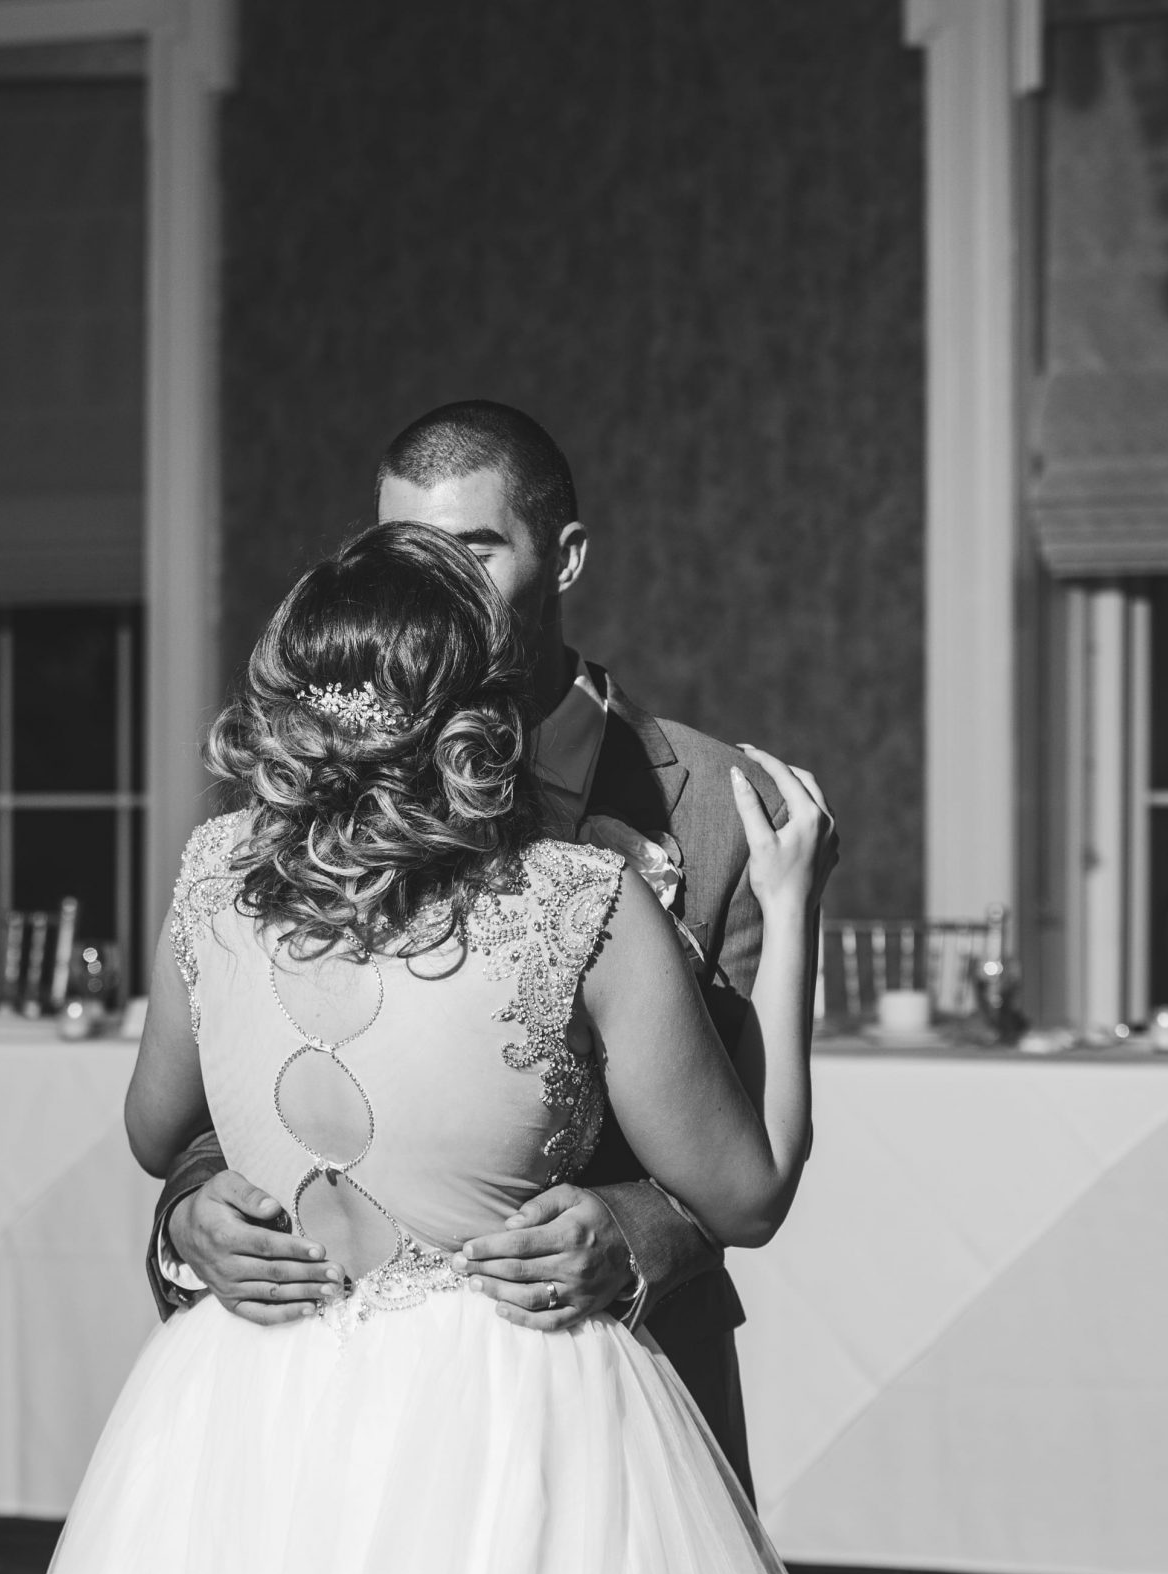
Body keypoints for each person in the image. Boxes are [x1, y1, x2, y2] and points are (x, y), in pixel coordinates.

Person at [0, 521, 844, 1574]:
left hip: (255, 1402)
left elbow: (153, 1131)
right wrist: (791, 902)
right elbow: (749, 1193)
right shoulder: (577, 898)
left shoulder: (212, 876)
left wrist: (210, 1178)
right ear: (479, 710)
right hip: (502, 1411)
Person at [151, 401, 775, 1491]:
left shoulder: (722, 808)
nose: (436, 585)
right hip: (321, 1395)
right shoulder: (272, 837)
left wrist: (633, 1227)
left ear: (565, 556)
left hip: (605, 1403)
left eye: (474, 547)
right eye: (408, 552)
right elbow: (238, 1086)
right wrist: (195, 1212)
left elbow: (746, 1152)